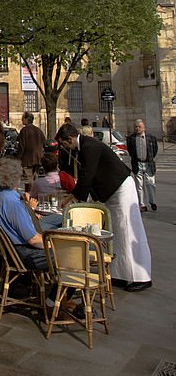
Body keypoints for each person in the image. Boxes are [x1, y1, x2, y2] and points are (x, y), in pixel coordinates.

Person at [57, 123, 152, 291]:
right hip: (112, 191)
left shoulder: (88, 146)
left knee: (129, 230)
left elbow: (88, 175)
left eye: (64, 144)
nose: (65, 148)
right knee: (118, 233)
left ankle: (141, 277)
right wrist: (74, 196)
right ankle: (122, 274)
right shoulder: (83, 146)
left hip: (121, 188)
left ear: (70, 138)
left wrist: (76, 199)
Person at [0, 158, 49, 272]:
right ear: (15, 178)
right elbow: (32, 239)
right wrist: (53, 245)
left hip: (9, 251)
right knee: (69, 257)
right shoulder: (13, 202)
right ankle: (59, 290)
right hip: (23, 254)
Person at [126, 119, 158, 213]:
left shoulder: (151, 137)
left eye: (139, 127)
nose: (137, 128)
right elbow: (130, 151)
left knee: (150, 183)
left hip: (148, 163)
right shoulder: (131, 138)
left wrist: (149, 159)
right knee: (139, 185)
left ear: (143, 128)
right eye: (135, 127)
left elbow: (154, 149)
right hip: (137, 163)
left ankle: (152, 201)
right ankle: (142, 204)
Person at [16, 112, 46, 178]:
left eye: (23, 118)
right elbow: (44, 143)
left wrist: (18, 158)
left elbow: (21, 146)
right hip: (38, 158)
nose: (21, 120)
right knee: (35, 178)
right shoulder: (38, 130)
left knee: (28, 179)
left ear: (27, 119)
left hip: (28, 159)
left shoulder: (24, 130)